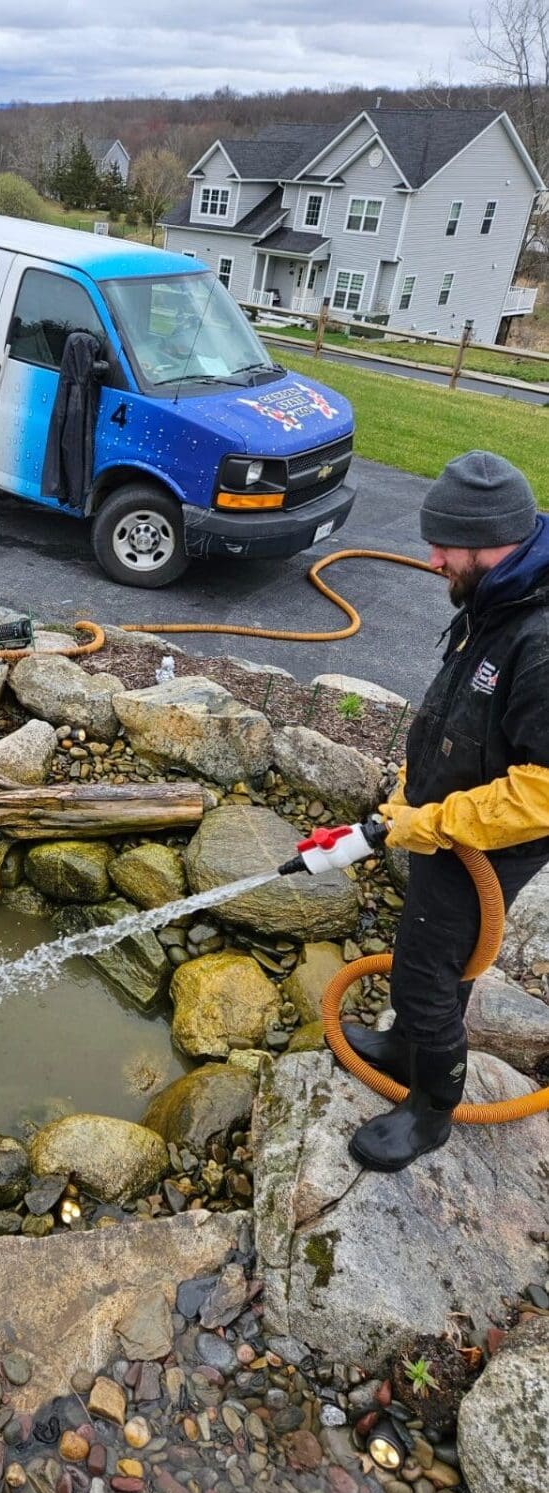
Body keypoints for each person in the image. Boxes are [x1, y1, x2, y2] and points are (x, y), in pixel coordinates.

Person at [345, 451, 549, 1172]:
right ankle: (405, 1048)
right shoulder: (498, 597)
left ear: (488, 539)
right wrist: (411, 787)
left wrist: (429, 821)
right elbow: (460, 714)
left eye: (443, 546)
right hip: (453, 822)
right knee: (427, 949)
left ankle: (430, 1112)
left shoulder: (541, 637)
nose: (432, 559)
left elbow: (541, 792)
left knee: (428, 972)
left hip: (488, 843)